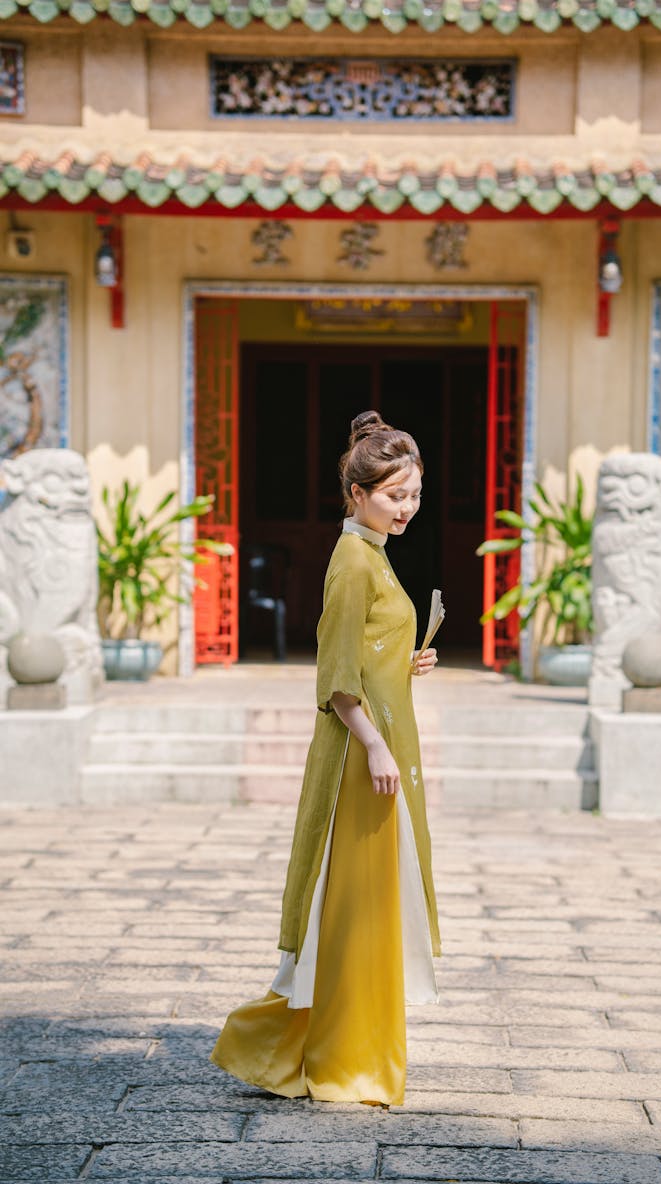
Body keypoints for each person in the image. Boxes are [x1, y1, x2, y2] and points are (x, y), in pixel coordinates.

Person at [209, 410, 441, 1107]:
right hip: (359, 759)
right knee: (353, 912)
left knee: (367, 910)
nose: (409, 508)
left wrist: (405, 658)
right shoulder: (352, 561)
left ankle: (336, 1049)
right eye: (397, 495)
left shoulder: (372, 555)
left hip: (381, 749)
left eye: (416, 494)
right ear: (360, 492)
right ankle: (344, 1057)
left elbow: (367, 652)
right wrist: (373, 745)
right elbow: (336, 676)